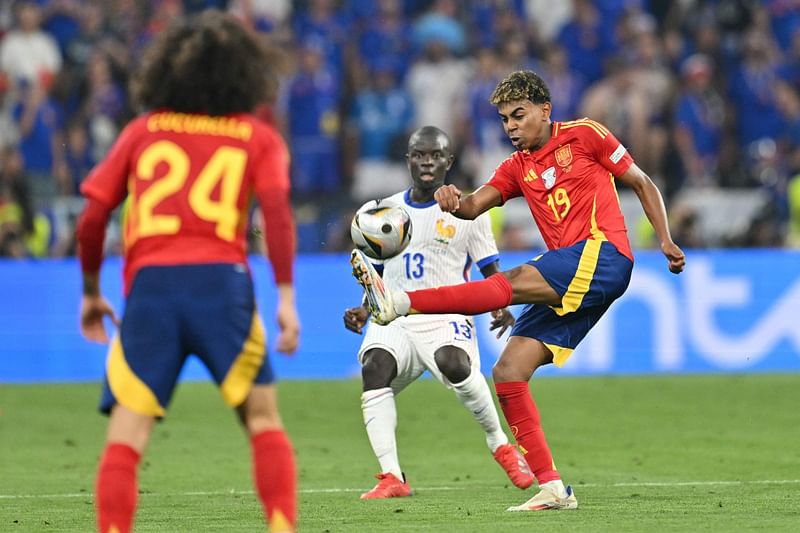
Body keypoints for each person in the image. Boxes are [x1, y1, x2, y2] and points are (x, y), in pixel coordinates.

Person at [351, 70, 686, 511]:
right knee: (509, 371)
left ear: (545, 110)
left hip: (603, 254)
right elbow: (472, 206)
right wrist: (450, 198)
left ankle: (402, 303)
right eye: (505, 119)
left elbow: (642, 182)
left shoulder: (585, 135)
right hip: (574, 273)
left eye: (518, 115)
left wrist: (663, 238)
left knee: (506, 284)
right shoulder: (515, 168)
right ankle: (552, 488)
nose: (510, 126)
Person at [76, 11, 299, 533]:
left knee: (126, 438)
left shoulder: (141, 132)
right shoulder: (256, 136)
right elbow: (278, 214)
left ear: (165, 72)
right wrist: (285, 296)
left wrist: (90, 289)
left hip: (150, 291)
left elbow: (91, 217)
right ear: (244, 73)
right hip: (223, 285)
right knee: (263, 421)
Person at [344, 125, 535, 499]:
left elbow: (490, 271)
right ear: (409, 160)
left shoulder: (470, 210)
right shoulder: (385, 211)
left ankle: (501, 445)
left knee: (455, 364)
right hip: (395, 317)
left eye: (435, 155)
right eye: (419, 154)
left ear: (449, 161)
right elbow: (378, 274)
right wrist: (365, 310)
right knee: (374, 369)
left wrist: (502, 306)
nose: (427, 162)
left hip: (446, 316)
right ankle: (391, 477)